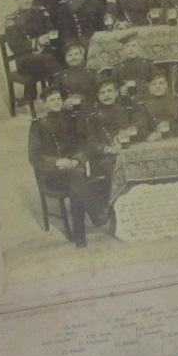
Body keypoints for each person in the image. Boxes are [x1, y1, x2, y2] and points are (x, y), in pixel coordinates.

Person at [28, 87, 109, 247]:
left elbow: (83, 145)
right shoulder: (38, 126)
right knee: (76, 178)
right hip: (52, 175)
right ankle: (96, 214)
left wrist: (77, 159)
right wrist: (57, 162)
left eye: (59, 99)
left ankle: (80, 236)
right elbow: (35, 157)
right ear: (44, 104)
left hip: (73, 170)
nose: (57, 102)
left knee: (75, 181)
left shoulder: (71, 119)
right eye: (52, 100)